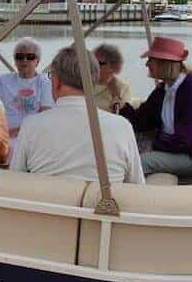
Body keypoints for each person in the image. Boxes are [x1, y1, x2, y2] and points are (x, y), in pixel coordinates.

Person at [11, 45, 144, 184]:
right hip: (102, 198)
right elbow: (137, 184)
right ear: (94, 81)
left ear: (56, 81)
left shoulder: (31, 125)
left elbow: (15, 179)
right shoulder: (122, 127)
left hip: (48, 197)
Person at [120, 37, 192, 178]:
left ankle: (120, 190)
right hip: (169, 146)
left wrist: (153, 146)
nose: (147, 64)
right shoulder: (164, 89)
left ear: (165, 63)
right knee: (122, 148)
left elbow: (187, 139)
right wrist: (121, 106)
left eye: (150, 60)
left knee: (143, 161)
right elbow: (142, 120)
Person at [0, 37, 52, 147]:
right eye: (19, 57)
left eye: (30, 57)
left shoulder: (45, 83)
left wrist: (16, 132)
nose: (24, 60)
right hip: (8, 139)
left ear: (37, 61)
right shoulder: (4, 81)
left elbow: (45, 118)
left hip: (35, 137)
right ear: (15, 61)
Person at [93, 43, 131, 113]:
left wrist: (116, 97)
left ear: (113, 66)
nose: (93, 65)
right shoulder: (81, 83)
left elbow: (123, 114)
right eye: (92, 61)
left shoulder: (122, 88)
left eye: (99, 63)